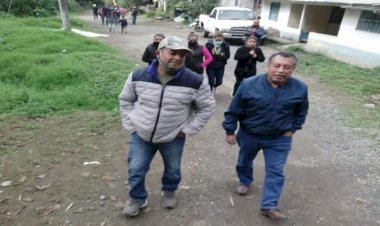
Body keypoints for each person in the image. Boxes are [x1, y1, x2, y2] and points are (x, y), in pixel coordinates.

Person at [119, 36, 216, 217]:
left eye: (182, 54)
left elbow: (207, 106)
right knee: (135, 169)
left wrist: (187, 129)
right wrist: (131, 124)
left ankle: (169, 190)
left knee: (173, 169)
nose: (178, 58)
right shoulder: (138, 76)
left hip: (173, 136)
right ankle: (137, 198)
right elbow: (125, 100)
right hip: (141, 134)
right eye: (173, 53)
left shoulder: (194, 80)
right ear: (159, 53)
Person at [222, 51, 309, 220]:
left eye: (287, 67)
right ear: (269, 66)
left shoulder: (300, 88)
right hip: (249, 135)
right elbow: (233, 110)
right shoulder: (249, 84)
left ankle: (269, 205)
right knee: (244, 161)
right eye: (277, 66)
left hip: (279, 139)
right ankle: (245, 181)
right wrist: (230, 131)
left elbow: (302, 111)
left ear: (292, 69)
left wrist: (292, 129)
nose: (281, 70)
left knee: (276, 171)